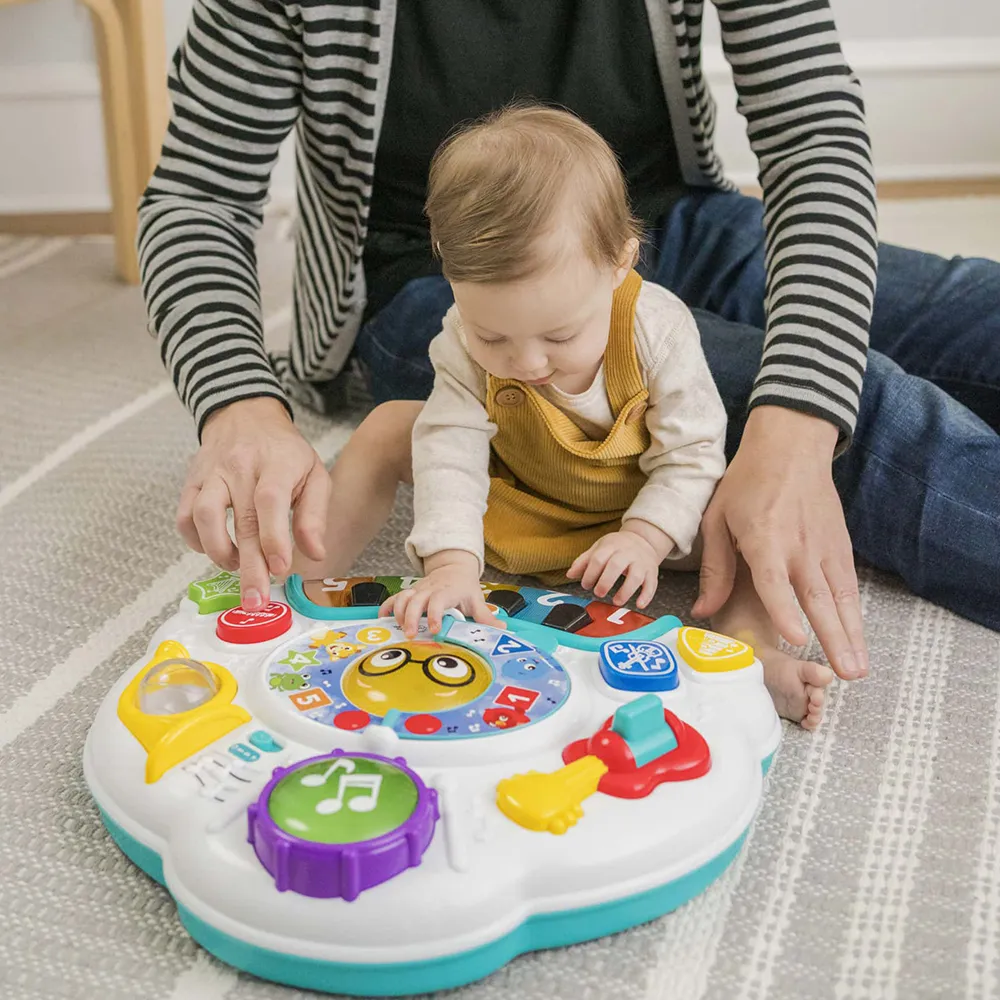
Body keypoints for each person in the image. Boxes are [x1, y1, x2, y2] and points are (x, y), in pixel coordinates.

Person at [139, 3, 1000, 725]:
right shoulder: (474, 345)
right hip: (424, 280)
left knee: (905, 351)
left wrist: (798, 424)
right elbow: (196, 193)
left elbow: (814, 131)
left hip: (666, 218)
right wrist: (239, 405)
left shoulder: (637, 282)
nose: (533, 367)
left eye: (551, 350)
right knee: (882, 418)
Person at [287, 103, 832, 727]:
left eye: (560, 335)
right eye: (495, 338)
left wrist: (645, 537)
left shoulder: (657, 329)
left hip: (642, 513)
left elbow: (691, 454)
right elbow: (450, 450)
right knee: (390, 425)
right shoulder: (459, 338)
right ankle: (294, 590)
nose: (526, 361)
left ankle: (748, 651)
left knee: (746, 510)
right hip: (524, 498)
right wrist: (452, 566)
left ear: (620, 260)